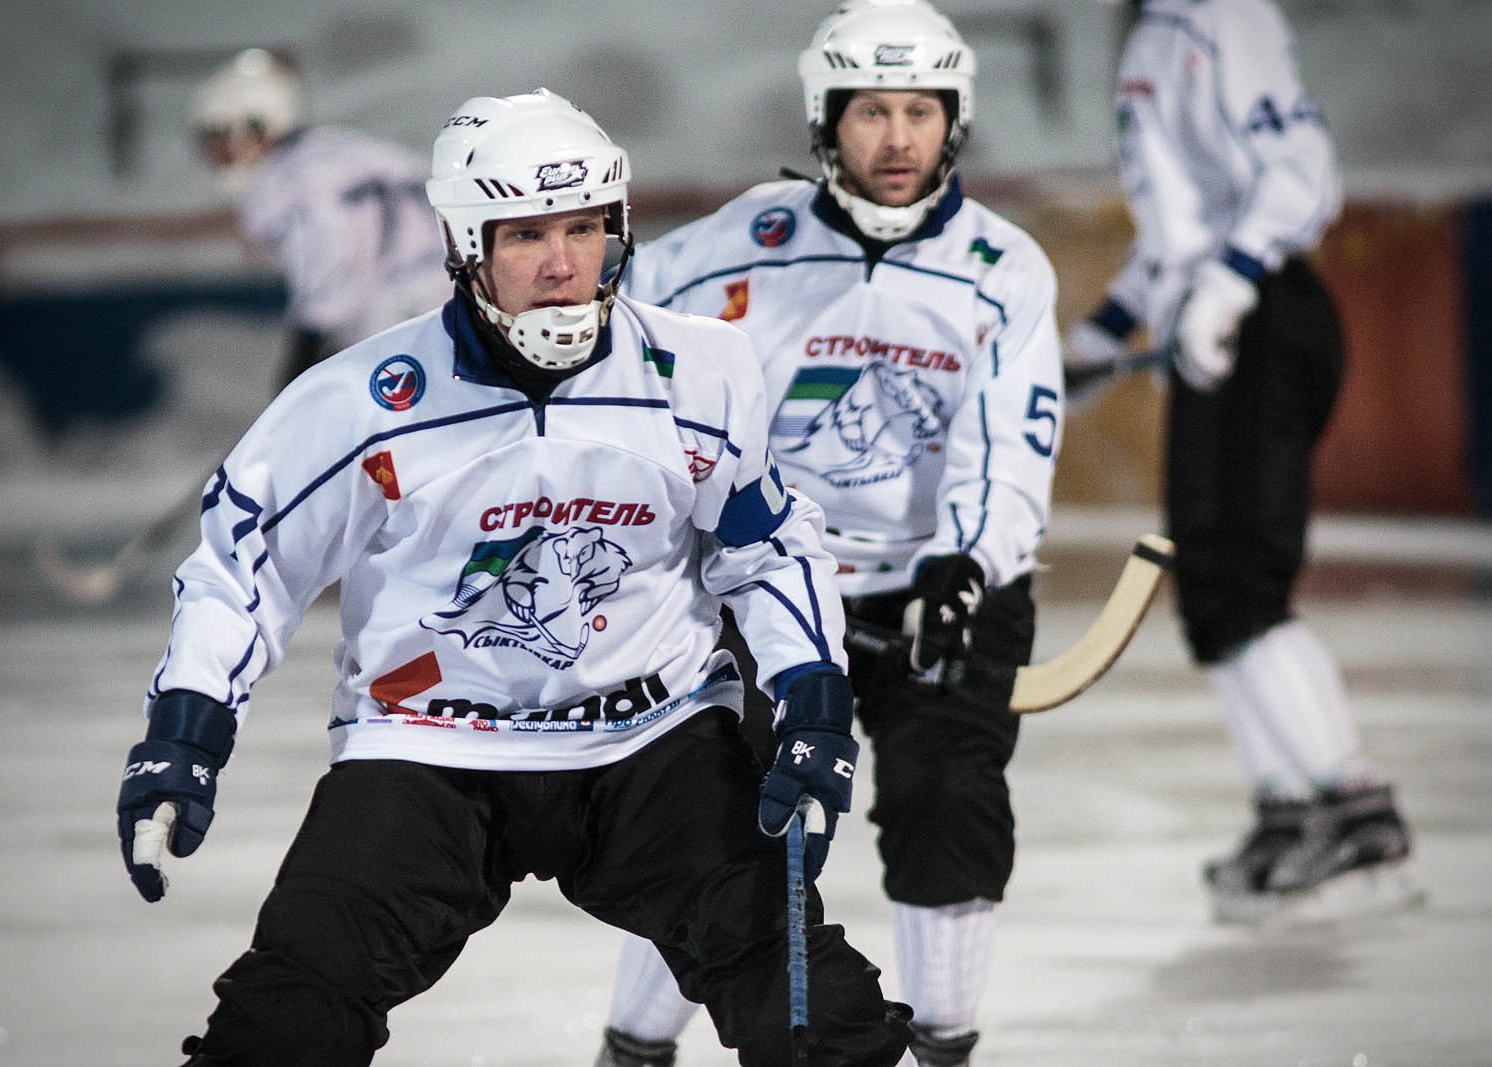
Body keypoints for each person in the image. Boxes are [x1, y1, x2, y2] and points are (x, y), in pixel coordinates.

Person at [116, 87, 919, 1067]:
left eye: (585, 228)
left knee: (805, 995)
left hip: (651, 744)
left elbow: (765, 544)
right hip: (430, 749)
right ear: (464, 242)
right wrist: (185, 729)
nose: (561, 263)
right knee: (292, 1004)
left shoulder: (701, 373)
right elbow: (248, 571)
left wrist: (814, 697)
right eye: (527, 231)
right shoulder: (361, 402)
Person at [594, 2, 1064, 1064]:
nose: (896, 139)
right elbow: (614, 370)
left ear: (957, 122)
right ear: (823, 121)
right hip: (770, 587)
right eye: (869, 113)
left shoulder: (1004, 269)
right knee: (724, 830)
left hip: (941, 584)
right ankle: (631, 1048)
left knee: (949, 799)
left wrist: (968, 563)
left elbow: (1006, 446)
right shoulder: (724, 251)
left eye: (919, 112)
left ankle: (941, 1046)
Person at [1065, 0, 1420, 923]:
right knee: (1214, 589)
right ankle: (1287, 806)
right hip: (1212, 322)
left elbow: (1301, 171)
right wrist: (1102, 334)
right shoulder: (1154, 31)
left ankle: (1355, 807)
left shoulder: (1224, 14)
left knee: (1247, 583)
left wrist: (1227, 289)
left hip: (1260, 316)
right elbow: (1178, 226)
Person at [190, 47, 450, 388]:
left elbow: (331, 276)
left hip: (406, 316)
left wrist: (300, 366)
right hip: (458, 297)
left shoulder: (289, 180)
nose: (216, 153)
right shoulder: (342, 148)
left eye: (222, 137)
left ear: (255, 127)